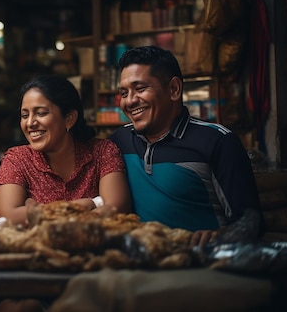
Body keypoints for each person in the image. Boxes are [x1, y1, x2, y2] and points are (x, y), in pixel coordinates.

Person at [109, 45, 262, 246]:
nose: (130, 101)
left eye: (140, 89)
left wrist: (222, 236)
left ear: (174, 89)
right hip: (140, 262)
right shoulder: (118, 142)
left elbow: (251, 221)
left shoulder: (217, 141)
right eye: (124, 92)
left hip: (201, 266)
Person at [0, 74, 131, 225]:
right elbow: (7, 216)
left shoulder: (103, 151)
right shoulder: (17, 159)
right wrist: (88, 205)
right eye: (25, 115)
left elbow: (115, 208)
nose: (30, 123)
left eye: (41, 113)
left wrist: (35, 211)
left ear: (69, 118)